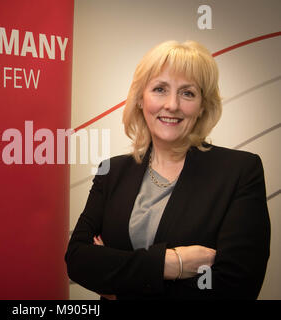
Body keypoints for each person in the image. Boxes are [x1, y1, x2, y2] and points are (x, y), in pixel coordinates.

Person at [65, 40, 271, 300]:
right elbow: (77, 259)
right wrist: (171, 264)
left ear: (202, 106)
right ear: (141, 99)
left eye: (187, 93)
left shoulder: (240, 171)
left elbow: (236, 288)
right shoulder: (112, 170)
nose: (172, 104)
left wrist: (119, 285)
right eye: (160, 89)